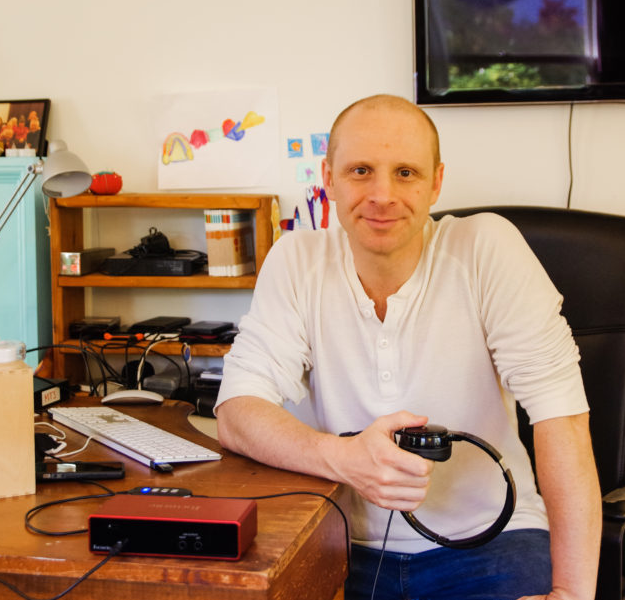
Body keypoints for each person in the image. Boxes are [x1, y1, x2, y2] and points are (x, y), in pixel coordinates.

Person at [215, 94, 600, 600]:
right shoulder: (296, 260)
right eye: (360, 171)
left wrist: (572, 592)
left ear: (436, 182)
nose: (382, 195)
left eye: (405, 173)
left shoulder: (488, 249)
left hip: (492, 541)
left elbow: (562, 418)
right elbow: (237, 412)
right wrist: (342, 458)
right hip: (338, 543)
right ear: (327, 178)